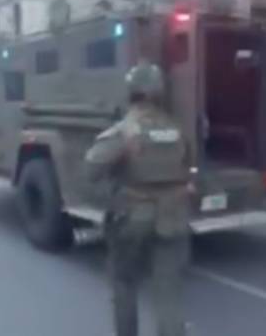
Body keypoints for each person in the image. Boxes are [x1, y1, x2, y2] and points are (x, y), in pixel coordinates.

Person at [85, 61, 192, 336]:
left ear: (131, 91)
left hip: (133, 219)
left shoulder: (124, 130)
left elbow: (91, 169)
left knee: (124, 283)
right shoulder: (177, 129)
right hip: (173, 217)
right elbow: (187, 167)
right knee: (169, 292)